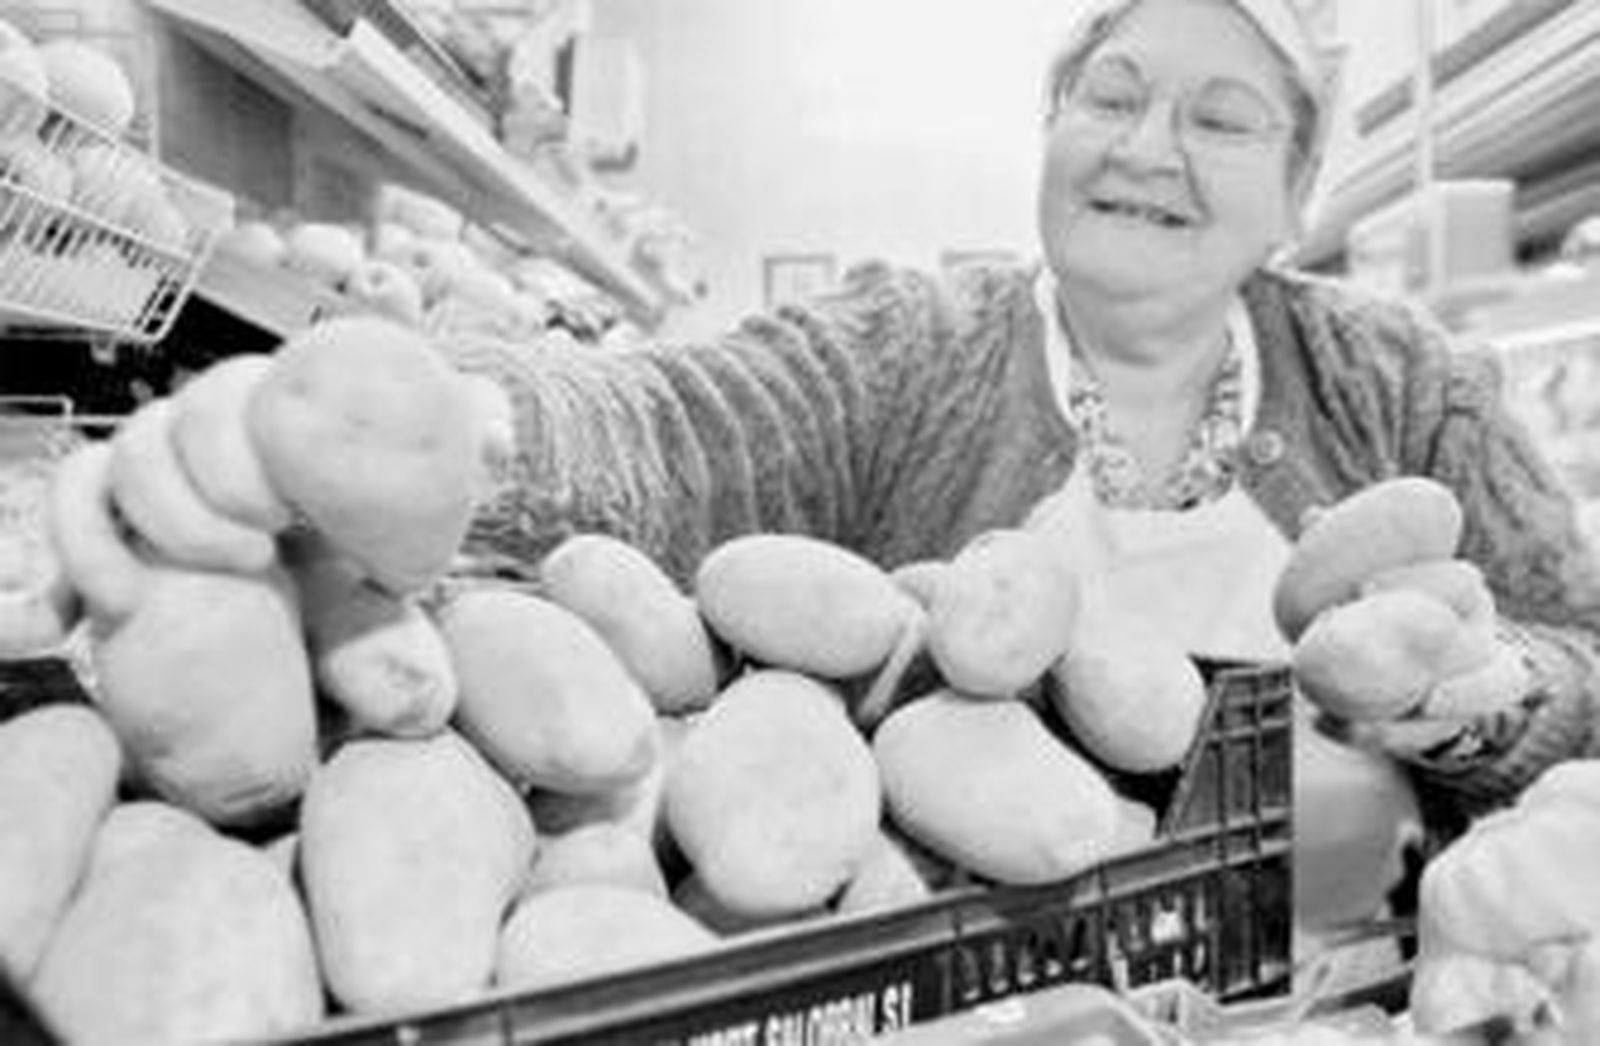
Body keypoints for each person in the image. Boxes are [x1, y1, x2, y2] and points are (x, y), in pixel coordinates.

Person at [451, 0, 1600, 970]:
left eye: (1219, 119)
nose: (1145, 147)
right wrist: (471, 423)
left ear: (1297, 189)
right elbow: (677, 426)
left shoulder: (1400, 383)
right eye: (1109, 97)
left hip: (1360, 1003)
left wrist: (1473, 691)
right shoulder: (911, 350)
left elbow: (1581, 665)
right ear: (1052, 128)